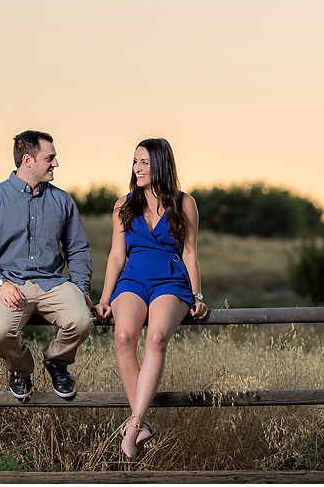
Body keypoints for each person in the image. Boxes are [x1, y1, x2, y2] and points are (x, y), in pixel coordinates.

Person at [94, 138, 207, 459]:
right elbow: (116, 256)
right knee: (124, 335)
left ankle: (134, 425)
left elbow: (189, 251)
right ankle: (140, 423)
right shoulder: (123, 204)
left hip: (171, 282)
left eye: (144, 162)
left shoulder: (185, 203)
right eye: (134, 162)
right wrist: (104, 298)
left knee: (156, 338)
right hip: (132, 280)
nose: (137, 168)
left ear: (160, 164)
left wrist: (197, 294)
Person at [0, 130, 94, 402]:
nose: (56, 163)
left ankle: (57, 362)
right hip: (11, 284)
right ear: (28, 160)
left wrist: (81, 287)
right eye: (50, 158)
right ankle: (21, 371)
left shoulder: (62, 201)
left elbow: (78, 249)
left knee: (82, 319)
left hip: (54, 283)